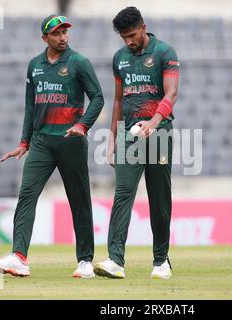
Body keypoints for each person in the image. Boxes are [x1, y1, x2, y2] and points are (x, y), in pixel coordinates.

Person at [0, 15, 104, 277]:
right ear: (45, 38)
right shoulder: (35, 66)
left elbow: (98, 98)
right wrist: (24, 141)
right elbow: (30, 105)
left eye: (65, 32)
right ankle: (19, 257)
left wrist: (82, 125)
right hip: (41, 142)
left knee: (79, 201)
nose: (63, 37)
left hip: (70, 141)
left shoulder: (79, 63)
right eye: (57, 33)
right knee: (27, 195)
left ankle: (85, 261)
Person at [94, 7, 179, 279]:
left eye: (131, 35)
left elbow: (172, 93)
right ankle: (115, 261)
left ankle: (161, 261)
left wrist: (153, 123)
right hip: (130, 137)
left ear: (143, 27)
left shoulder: (165, 53)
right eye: (123, 37)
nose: (128, 42)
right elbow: (118, 100)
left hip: (159, 133)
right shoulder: (120, 58)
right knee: (122, 195)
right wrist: (111, 141)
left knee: (159, 199)